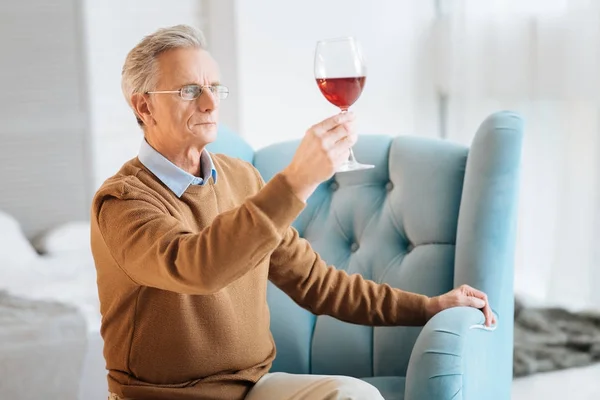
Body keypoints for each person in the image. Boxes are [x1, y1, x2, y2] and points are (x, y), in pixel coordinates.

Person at [91, 24, 495, 400]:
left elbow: (317, 283)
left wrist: (429, 307)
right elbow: (197, 267)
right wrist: (297, 181)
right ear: (144, 106)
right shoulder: (123, 202)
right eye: (189, 90)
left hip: (253, 387)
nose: (211, 102)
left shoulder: (241, 178)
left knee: (356, 397)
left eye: (214, 87)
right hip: (164, 398)